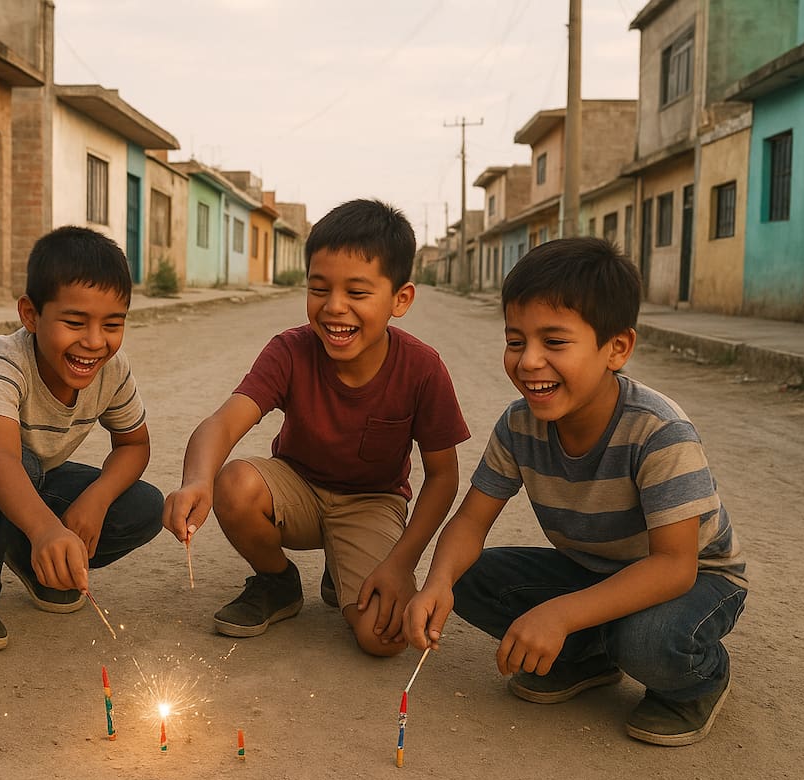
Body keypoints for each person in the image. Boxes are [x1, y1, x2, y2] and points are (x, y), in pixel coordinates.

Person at [403, 237, 746, 746]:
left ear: (617, 348)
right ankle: (587, 655)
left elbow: (675, 565)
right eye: (516, 341)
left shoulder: (657, 431)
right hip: (594, 571)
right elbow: (472, 521)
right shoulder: (519, 426)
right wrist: (437, 582)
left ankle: (699, 679)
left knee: (646, 641)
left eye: (555, 342)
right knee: (469, 575)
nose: (529, 362)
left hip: (696, 580)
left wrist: (560, 613)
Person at [163, 199, 470, 656]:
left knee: (383, 638)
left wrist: (400, 560)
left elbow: (444, 477)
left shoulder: (422, 369)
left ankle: (346, 562)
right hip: (297, 490)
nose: (334, 308)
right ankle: (277, 582)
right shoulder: (291, 351)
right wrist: (196, 481)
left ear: (400, 299)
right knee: (235, 483)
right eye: (319, 289)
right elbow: (224, 422)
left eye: (358, 293)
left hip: (371, 503)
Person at [0, 226, 162, 652]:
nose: (94, 341)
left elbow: (134, 445)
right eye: (74, 322)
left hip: (24, 478)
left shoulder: (112, 368)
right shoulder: (3, 365)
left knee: (144, 504)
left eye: (112, 324)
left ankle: (31, 558)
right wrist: (48, 528)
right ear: (30, 315)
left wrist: (98, 498)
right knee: (22, 468)